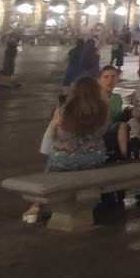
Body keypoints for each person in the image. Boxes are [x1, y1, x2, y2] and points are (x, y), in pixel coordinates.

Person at [22, 75, 109, 224]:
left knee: (54, 160)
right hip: (94, 160)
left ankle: (36, 205)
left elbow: (51, 137)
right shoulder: (103, 111)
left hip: (65, 162)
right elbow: (103, 131)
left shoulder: (64, 111)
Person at [97, 65, 133, 159]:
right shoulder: (95, 99)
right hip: (98, 129)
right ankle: (124, 155)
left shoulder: (117, 98)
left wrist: (129, 113)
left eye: (113, 77)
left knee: (123, 125)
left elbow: (117, 117)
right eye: (106, 77)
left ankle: (124, 155)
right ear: (99, 80)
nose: (110, 80)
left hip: (113, 127)